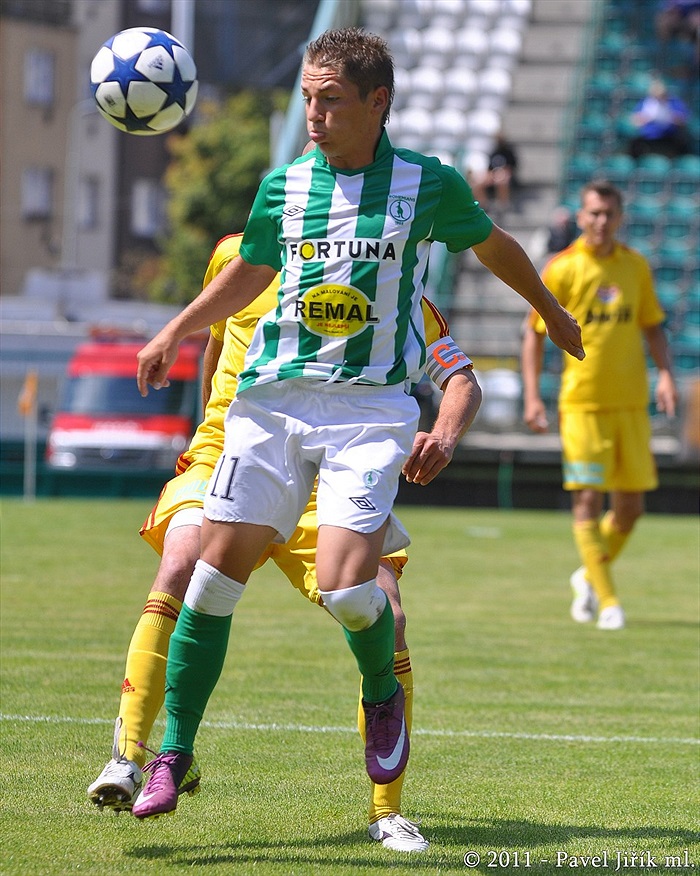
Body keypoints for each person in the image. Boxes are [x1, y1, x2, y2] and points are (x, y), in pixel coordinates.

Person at [132, 27, 583, 822]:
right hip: (271, 404)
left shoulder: (426, 185)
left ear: (378, 103)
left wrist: (547, 309)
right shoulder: (284, 186)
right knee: (209, 581)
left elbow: (494, 246)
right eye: (307, 98)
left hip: (369, 410)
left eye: (331, 100)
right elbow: (250, 269)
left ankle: (382, 692)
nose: (314, 114)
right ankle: (171, 754)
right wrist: (176, 329)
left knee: (348, 589)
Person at [88, 232, 482, 851]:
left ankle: (388, 812)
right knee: (185, 564)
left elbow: (460, 375)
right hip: (233, 452)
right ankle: (132, 757)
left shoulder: (385, 281)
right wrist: (206, 426)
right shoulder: (237, 256)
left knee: (383, 609)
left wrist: (443, 433)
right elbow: (218, 343)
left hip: (329, 465)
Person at [521, 179, 677, 631]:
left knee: (631, 509)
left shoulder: (635, 267)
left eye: (609, 214)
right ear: (581, 216)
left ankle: (588, 572)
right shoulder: (563, 267)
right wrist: (532, 396)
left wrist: (665, 374)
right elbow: (533, 335)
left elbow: (652, 327)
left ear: (620, 217)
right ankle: (608, 601)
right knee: (588, 499)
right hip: (583, 404)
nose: (601, 222)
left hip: (630, 404)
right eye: (593, 213)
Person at [627, 78, 691, 160]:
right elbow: (634, 120)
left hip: (669, 135)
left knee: (683, 142)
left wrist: (670, 117)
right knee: (634, 144)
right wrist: (646, 118)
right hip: (648, 136)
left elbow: (683, 120)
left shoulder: (674, 102)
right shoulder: (645, 102)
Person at [469, 132, 519, 213]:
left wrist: (502, 173)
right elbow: (489, 167)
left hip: (506, 176)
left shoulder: (509, 152)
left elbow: (513, 167)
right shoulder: (493, 152)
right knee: (478, 182)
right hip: (494, 175)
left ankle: (503, 205)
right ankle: (483, 205)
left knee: (502, 180)